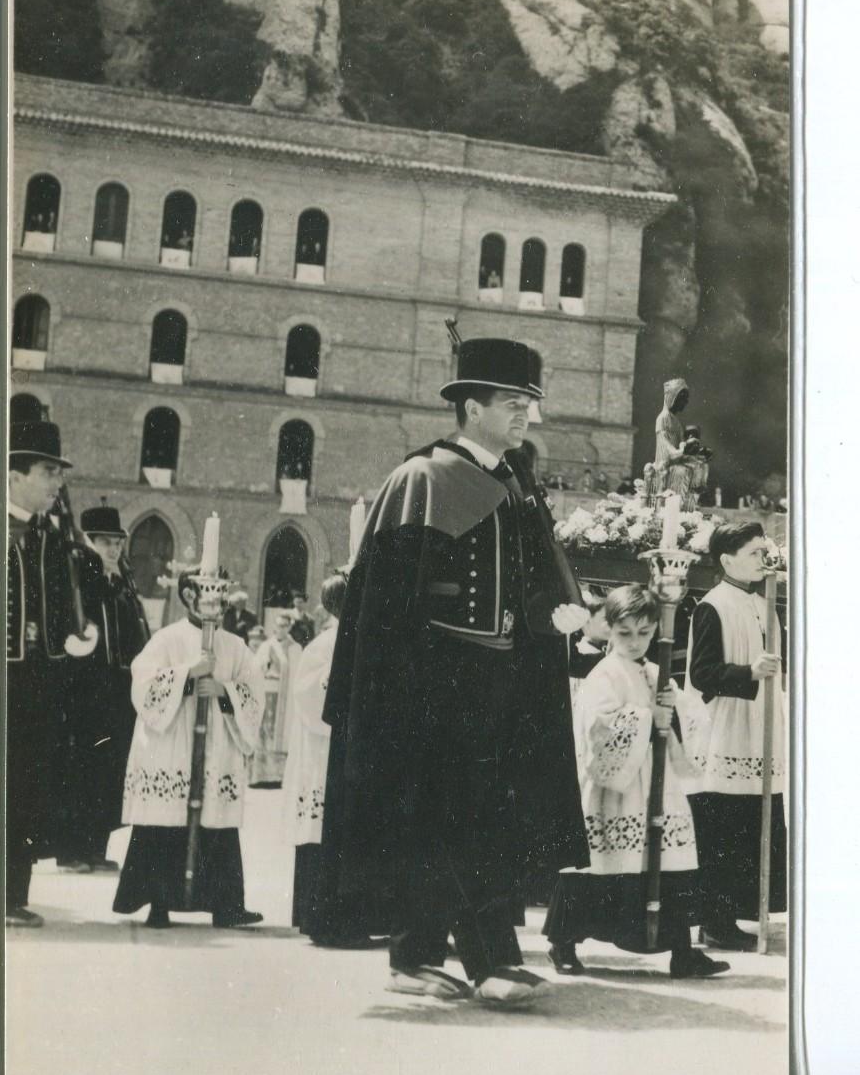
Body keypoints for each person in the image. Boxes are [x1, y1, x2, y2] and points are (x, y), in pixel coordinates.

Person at [319, 336, 591, 1006]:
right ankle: (412, 958)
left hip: (501, 685)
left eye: (528, 401)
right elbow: (386, 604)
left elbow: (528, 583)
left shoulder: (513, 482)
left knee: (489, 825)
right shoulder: (424, 478)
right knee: (433, 826)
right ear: (469, 407)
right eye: (509, 402)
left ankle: (491, 959)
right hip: (434, 690)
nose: (524, 414)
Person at [543, 585, 730, 979]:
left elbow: (687, 717)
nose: (634, 641)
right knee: (601, 866)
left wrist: (673, 716)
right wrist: (647, 722)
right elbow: (598, 727)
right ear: (609, 628)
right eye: (625, 632)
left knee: (668, 864)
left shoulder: (655, 670)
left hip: (658, 787)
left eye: (644, 632)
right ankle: (563, 942)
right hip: (618, 789)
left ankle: (682, 951)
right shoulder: (604, 673)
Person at [112, 567, 265, 929]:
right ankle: (159, 903)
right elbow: (144, 686)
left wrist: (225, 692)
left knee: (216, 823)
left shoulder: (235, 645)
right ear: (188, 597)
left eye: (220, 595)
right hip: (171, 744)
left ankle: (225, 906)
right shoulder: (166, 639)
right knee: (165, 822)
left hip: (216, 744)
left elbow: (254, 692)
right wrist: (187, 674)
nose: (216, 602)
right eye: (207, 594)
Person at [6, 420, 99, 927]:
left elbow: (60, 606)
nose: (55, 483)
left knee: (24, 787)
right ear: (15, 474)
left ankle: (11, 894)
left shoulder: (50, 536)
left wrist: (71, 636)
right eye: (47, 472)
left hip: (36, 687)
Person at [685, 522, 787, 951]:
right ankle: (715, 921)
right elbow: (701, 674)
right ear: (727, 560)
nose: (762, 559)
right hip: (728, 730)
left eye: (764, 551)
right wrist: (748, 673)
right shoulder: (712, 606)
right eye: (752, 553)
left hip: (761, 725)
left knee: (752, 825)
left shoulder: (764, 602)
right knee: (724, 827)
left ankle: (742, 914)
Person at [281, 571, 384, 940]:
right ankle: (323, 923)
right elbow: (310, 699)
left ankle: (359, 921)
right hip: (325, 752)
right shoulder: (322, 647)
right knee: (325, 835)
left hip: (355, 752)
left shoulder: (368, 641)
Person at [59, 503, 150, 873]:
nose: (113, 550)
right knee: (82, 768)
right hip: (88, 692)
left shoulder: (123, 585)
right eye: (106, 543)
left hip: (119, 693)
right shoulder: (83, 582)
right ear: (90, 543)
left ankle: (96, 845)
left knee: (109, 771)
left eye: (117, 543)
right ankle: (70, 849)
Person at [252, 612, 301, 786]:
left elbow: (298, 674)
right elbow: (256, 668)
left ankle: (279, 776)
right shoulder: (267, 646)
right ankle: (261, 776)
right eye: (278, 626)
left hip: (286, 700)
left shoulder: (295, 648)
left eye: (284, 626)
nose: (280, 629)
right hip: (268, 693)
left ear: (289, 627)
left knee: (283, 733)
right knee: (265, 731)